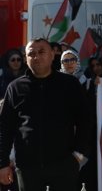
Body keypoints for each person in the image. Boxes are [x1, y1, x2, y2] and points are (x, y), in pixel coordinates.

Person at [0, 38, 92, 191]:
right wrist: (2, 163)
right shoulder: (15, 88)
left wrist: (79, 155)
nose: (36, 57)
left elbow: (85, 121)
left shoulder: (69, 84)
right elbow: (5, 128)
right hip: (27, 167)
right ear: (25, 59)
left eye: (42, 52)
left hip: (65, 164)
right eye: (31, 54)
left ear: (52, 55)